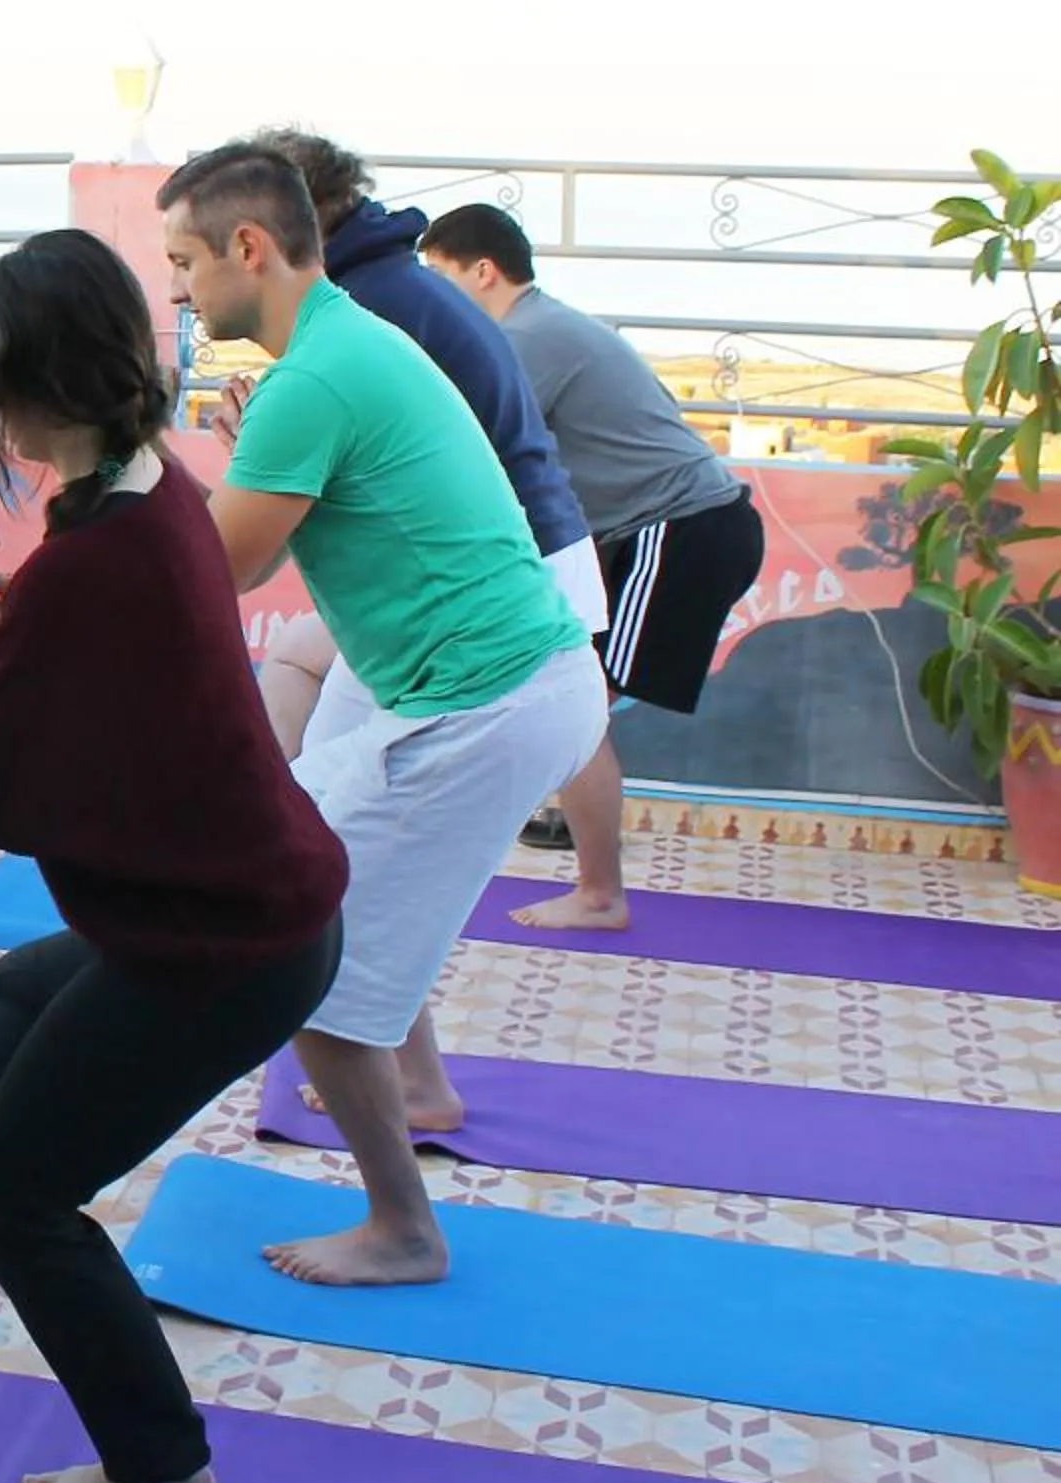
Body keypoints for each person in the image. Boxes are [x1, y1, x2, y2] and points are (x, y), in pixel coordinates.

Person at [0, 230, 347, 1483]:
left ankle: (163, 1469)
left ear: (40, 383)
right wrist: (5, 657)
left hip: (220, 950)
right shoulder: (148, 484)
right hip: (241, 906)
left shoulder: (92, 558)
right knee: (10, 982)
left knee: (23, 1195)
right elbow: (84, 695)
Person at [159, 143, 607, 1286]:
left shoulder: (321, 372)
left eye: (184, 261)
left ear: (247, 248)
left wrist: (118, 471)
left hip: (489, 704)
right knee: (310, 891)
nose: (177, 289)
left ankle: (405, 1230)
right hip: (496, 688)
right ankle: (419, 1090)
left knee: (301, 934)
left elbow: (222, 572)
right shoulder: (344, 345)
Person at [422, 202, 770, 931]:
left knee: (575, 704)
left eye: (436, 276)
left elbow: (467, 452)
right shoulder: (548, 325)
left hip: (679, 530)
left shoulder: (523, 338)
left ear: (482, 270)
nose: (426, 295)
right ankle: (577, 851)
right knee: (567, 694)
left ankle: (600, 894)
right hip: (671, 529)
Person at [236, 129, 607, 763]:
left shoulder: (362, 309)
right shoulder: (392, 286)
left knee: (373, 785)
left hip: (499, 574)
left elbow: (246, 549)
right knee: (339, 753)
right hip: (520, 557)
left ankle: (598, 869)